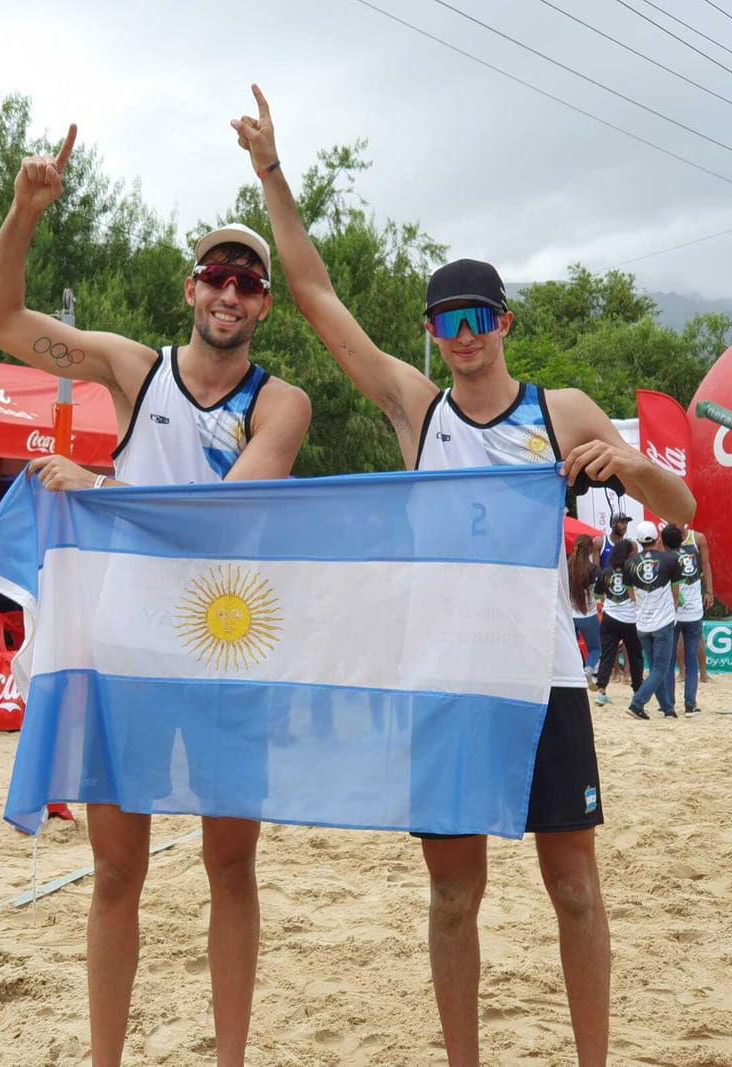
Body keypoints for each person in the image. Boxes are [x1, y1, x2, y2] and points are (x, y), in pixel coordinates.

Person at [232, 84, 695, 1067]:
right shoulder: (416, 408)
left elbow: (683, 510)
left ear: (505, 320)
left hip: (539, 683)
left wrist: (632, 466)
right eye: (447, 318)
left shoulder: (560, 408)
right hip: (441, 685)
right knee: (453, 895)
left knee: (573, 888)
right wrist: (272, 171)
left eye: (478, 312)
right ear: (435, 333)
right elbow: (316, 298)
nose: (464, 330)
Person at [0, 125, 311, 1067]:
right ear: (191, 287)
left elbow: (223, 518)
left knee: (230, 867)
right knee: (115, 874)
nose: (231, 290)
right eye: (217, 273)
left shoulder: (282, 403)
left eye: (248, 280)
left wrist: (103, 490)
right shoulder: (134, 366)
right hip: (122, 655)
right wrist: (23, 211)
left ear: (264, 305)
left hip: (222, 654)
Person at [623, 521, 681, 721]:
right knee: (661, 668)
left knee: (655, 667)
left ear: (638, 541)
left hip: (642, 622)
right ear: (657, 538)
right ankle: (637, 703)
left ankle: (667, 709)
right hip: (663, 621)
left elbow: (631, 595)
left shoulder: (629, 564)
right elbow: (675, 592)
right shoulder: (670, 559)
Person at [661, 524, 706, 715]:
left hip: (672, 613)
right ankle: (690, 704)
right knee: (691, 660)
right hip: (694, 611)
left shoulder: (665, 560)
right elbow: (704, 570)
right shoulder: (693, 554)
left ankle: (669, 704)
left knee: (669, 660)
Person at [593, 539, 643, 706]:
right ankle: (637, 691)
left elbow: (597, 594)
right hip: (630, 619)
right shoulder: (635, 571)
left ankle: (601, 690)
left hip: (610, 617)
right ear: (628, 554)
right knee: (635, 655)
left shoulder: (605, 572)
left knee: (607, 653)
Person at [673, 525, 715, 685]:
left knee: (697, 636)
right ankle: (682, 672)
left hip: (693, 594)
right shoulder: (668, 538)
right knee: (679, 637)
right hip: (676, 595)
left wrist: (709, 591)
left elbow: (705, 564)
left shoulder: (697, 538)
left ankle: (703, 673)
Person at [569, 534, 601, 688]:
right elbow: (599, 592)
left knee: (571, 647)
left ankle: (572, 673)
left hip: (570, 615)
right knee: (595, 648)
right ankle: (587, 670)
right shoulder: (592, 570)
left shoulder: (567, 567)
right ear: (590, 550)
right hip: (588, 614)